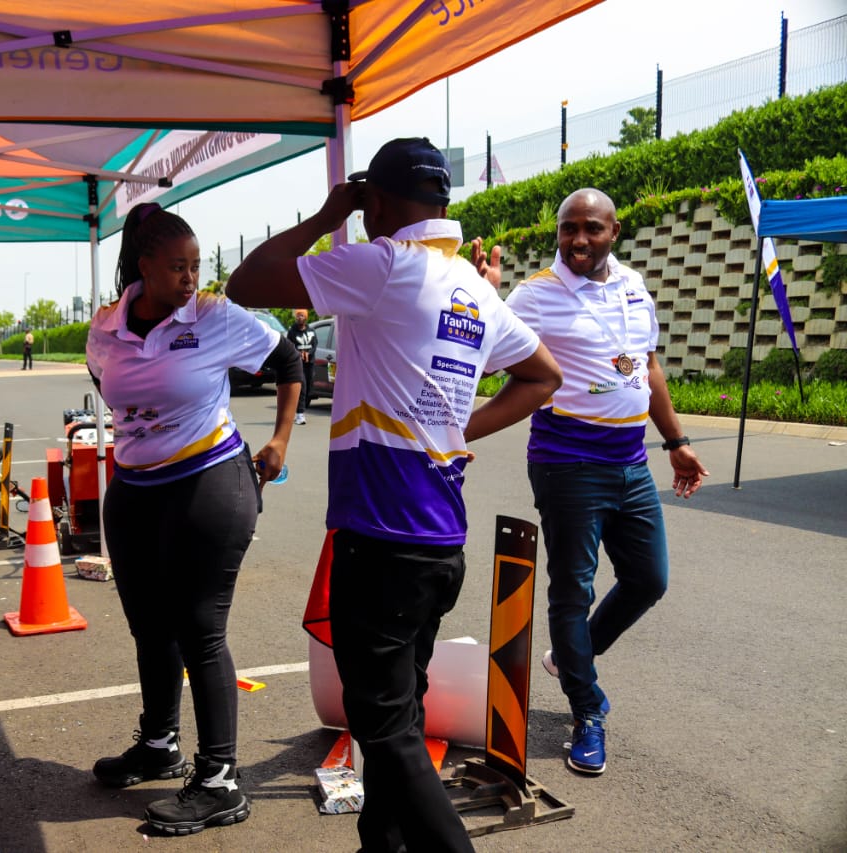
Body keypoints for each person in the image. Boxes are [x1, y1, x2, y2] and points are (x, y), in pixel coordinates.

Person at [226, 137, 561, 852]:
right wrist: (459, 428)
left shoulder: (383, 264)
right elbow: (543, 375)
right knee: (398, 717)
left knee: (385, 727)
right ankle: (381, 845)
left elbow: (246, 282)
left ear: (374, 201)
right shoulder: (473, 285)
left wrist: (327, 216)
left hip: (380, 538)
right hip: (437, 543)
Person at [86, 201, 302, 836]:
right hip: (134, 491)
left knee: (199, 630)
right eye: (178, 267)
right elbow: (108, 386)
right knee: (150, 629)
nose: (190, 278)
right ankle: (159, 745)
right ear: (144, 266)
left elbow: (288, 360)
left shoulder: (213, 315)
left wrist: (280, 439)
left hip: (209, 483)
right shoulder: (105, 326)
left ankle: (220, 781)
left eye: (196, 265)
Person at [487, 188, 709, 776]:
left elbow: (648, 367)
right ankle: (587, 711)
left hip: (631, 461)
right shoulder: (535, 295)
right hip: (568, 463)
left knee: (648, 579)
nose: (578, 240)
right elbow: (483, 359)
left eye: (591, 228)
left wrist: (677, 442)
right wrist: (485, 299)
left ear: (614, 232)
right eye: (568, 229)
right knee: (572, 592)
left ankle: (571, 657)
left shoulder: (633, 286)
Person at [286, 309, 317, 425]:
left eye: (302, 315)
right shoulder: (292, 332)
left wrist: (308, 353)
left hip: (310, 363)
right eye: (298, 316)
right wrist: (298, 354)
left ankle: (297, 410)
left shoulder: (311, 331)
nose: (300, 318)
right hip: (298, 364)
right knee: (302, 387)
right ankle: (300, 414)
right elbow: (289, 346)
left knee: (308, 388)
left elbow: (314, 345)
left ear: (306, 317)